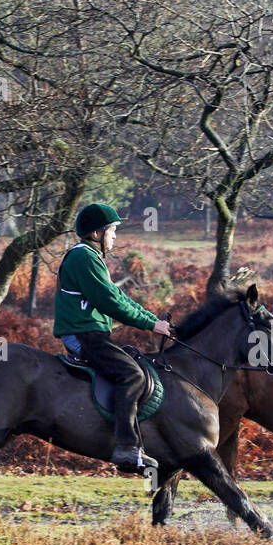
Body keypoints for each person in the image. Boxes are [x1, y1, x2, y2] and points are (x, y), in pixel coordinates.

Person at [54, 202, 172, 473]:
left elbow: (119, 297)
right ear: (96, 233)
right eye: (112, 230)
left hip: (92, 333)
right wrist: (151, 324)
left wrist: (153, 320)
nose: (115, 236)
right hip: (84, 336)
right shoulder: (83, 257)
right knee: (133, 375)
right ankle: (126, 447)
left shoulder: (91, 256)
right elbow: (110, 302)